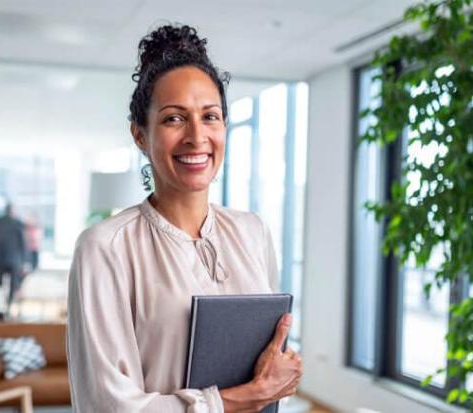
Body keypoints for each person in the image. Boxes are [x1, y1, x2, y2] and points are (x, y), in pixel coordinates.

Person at [67, 24, 302, 413]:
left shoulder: (252, 231)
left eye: (210, 116)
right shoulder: (105, 248)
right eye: (174, 119)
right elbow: (105, 405)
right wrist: (238, 400)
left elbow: (269, 366)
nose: (197, 136)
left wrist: (282, 373)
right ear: (140, 135)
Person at [0, 203, 27, 308]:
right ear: (12, 211)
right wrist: (24, 261)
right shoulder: (18, 223)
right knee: (13, 284)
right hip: (14, 260)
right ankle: (8, 305)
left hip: (0, 259)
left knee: (0, 283)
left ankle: (1, 304)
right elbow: (23, 244)